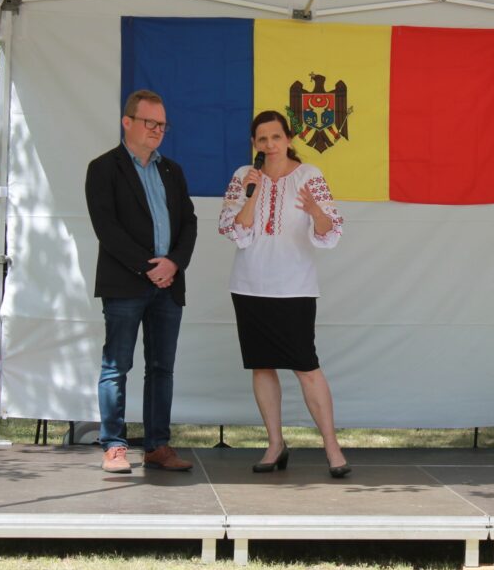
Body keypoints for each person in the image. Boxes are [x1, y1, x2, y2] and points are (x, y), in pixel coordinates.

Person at [218, 110, 350, 478]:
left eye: (276, 137)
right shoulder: (243, 177)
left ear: (289, 139)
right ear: (254, 143)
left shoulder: (310, 176)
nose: (270, 144)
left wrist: (316, 211)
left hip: (294, 287)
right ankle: (275, 444)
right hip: (249, 286)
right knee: (262, 365)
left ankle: (332, 447)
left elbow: (330, 231)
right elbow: (232, 230)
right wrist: (253, 193)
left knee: (306, 367)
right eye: (262, 139)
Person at [85, 89, 198, 474]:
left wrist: (174, 264)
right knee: (116, 366)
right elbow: (107, 228)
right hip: (125, 284)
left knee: (162, 369)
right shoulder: (104, 168)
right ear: (127, 122)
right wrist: (147, 267)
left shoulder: (172, 171)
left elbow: (189, 223)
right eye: (150, 122)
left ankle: (157, 446)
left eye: (162, 125)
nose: (157, 130)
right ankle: (114, 446)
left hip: (169, 285)